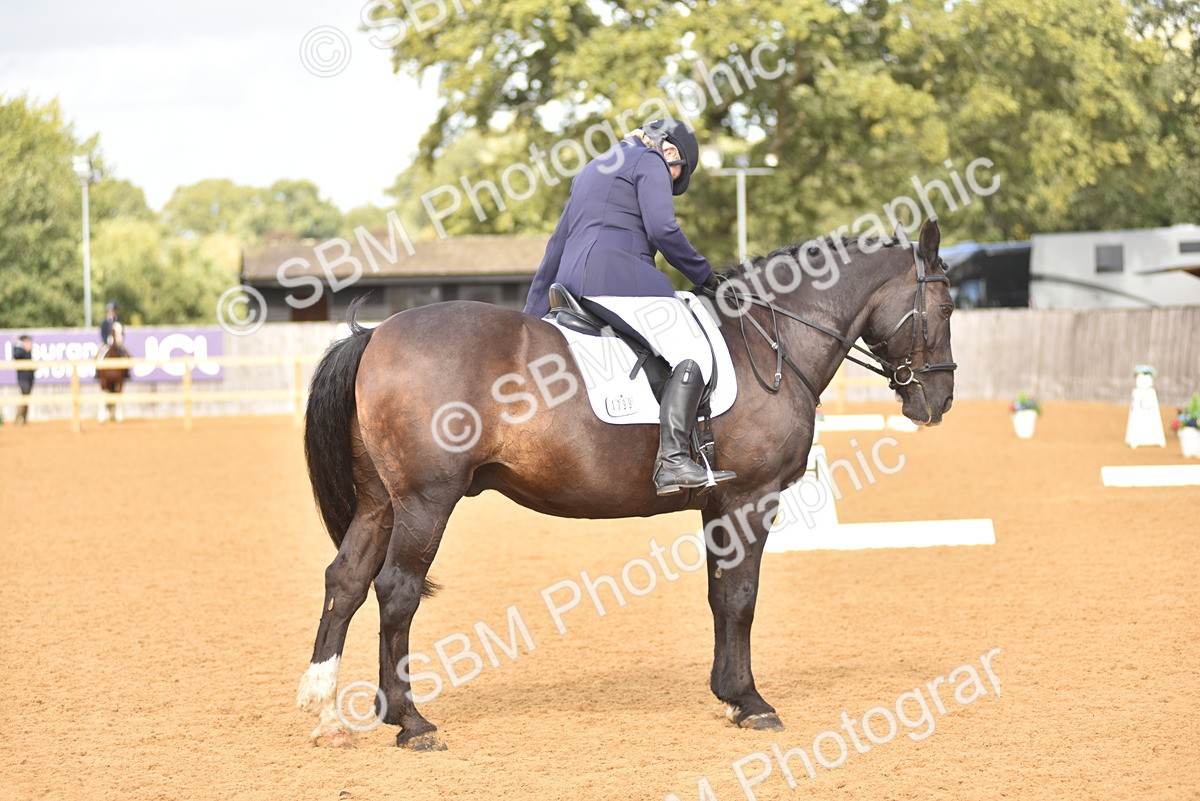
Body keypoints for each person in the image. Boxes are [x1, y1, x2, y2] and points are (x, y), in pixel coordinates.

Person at [523, 118, 736, 495]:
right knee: (694, 353)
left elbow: (554, 248)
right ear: (671, 152)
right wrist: (705, 275)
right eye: (675, 177)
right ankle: (671, 462)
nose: (669, 181)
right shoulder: (651, 160)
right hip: (622, 280)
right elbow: (662, 230)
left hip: (574, 283)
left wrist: (531, 317)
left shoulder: (592, 168)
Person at [13, 334, 34, 425]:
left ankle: (24, 419)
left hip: (29, 378)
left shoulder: (28, 351)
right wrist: (25, 349)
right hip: (23, 378)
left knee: (27, 398)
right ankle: (18, 419)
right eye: (27, 341)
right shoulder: (19, 350)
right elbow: (16, 355)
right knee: (24, 397)